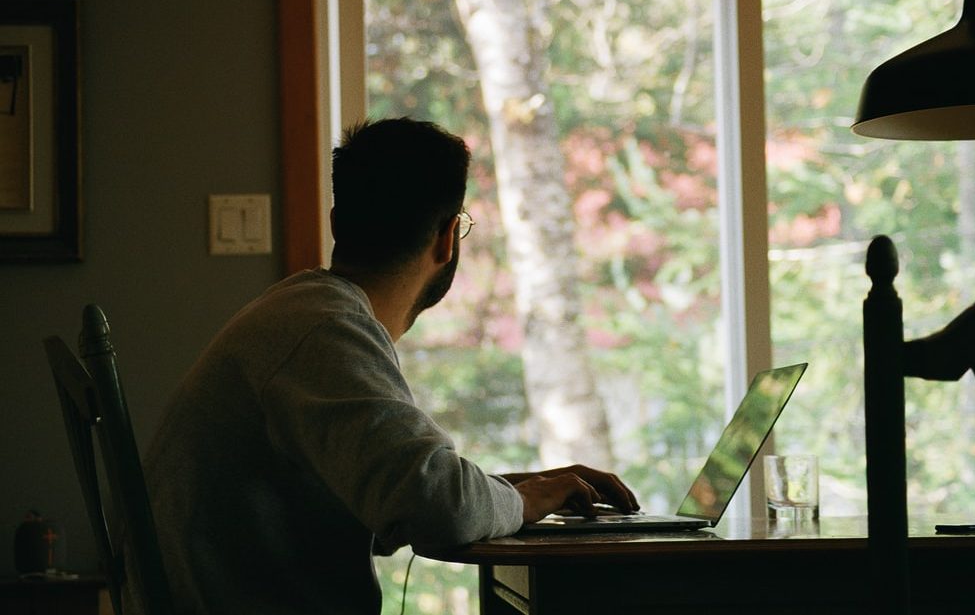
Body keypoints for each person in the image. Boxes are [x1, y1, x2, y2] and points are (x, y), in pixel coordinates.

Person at [126, 117, 638, 615]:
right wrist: (523, 503)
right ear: (447, 239)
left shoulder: (301, 314)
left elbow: (407, 491)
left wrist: (515, 491)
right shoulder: (323, 330)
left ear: (335, 223)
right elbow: (438, 508)